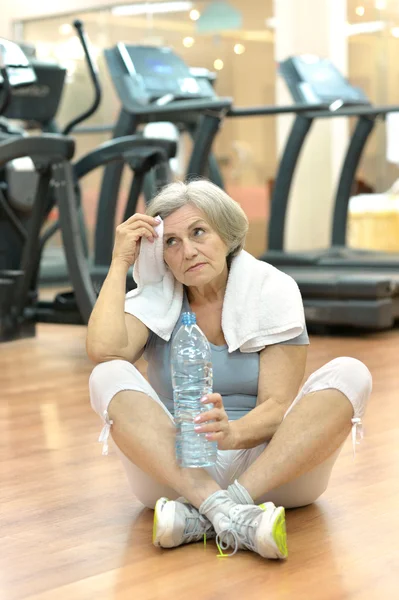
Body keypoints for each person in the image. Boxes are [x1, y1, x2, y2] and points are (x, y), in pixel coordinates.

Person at [87, 179, 372, 560]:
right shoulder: (156, 301)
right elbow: (104, 349)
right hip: (177, 471)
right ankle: (228, 514)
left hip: (269, 471)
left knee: (351, 373)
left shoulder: (273, 291)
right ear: (160, 254)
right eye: (171, 242)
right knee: (106, 374)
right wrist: (121, 260)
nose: (187, 251)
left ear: (225, 233)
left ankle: (211, 512)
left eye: (198, 232)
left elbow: (276, 405)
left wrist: (233, 433)